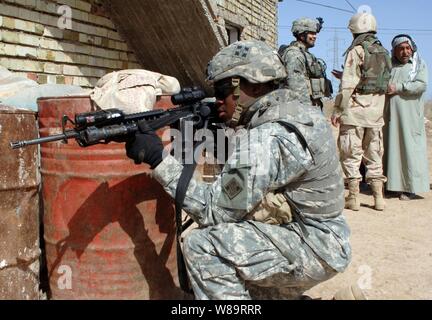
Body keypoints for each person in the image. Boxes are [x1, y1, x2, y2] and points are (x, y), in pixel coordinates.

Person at [125, 40, 351, 300]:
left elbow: (215, 211)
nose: (218, 100)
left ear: (254, 85)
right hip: (324, 238)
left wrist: (158, 158)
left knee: (205, 246)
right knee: (240, 250)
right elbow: (247, 182)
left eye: (223, 89)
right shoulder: (298, 112)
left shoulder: (268, 138)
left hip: (312, 246)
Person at [331, 12, 392, 211]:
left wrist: (337, 110)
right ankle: (378, 198)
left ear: (354, 30)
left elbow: (348, 85)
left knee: (351, 154)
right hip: (376, 114)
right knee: (374, 155)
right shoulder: (384, 52)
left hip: (355, 113)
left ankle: (354, 198)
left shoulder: (356, 50)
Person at [385, 34, 429, 200]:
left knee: (410, 150)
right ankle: (392, 186)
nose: (405, 52)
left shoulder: (418, 65)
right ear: (394, 51)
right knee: (391, 150)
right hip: (390, 117)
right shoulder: (389, 66)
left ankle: (410, 188)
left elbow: (421, 85)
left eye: (407, 48)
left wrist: (399, 87)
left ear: (412, 49)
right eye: (401, 49)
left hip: (410, 118)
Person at [280, 17, 332, 109]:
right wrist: (307, 110)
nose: (315, 36)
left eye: (315, 33)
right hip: (300, 108)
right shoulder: (294, 54)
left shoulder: (306, 54)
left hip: (310, 106)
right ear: (301, 35)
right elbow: (296, 87)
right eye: (311, 33)